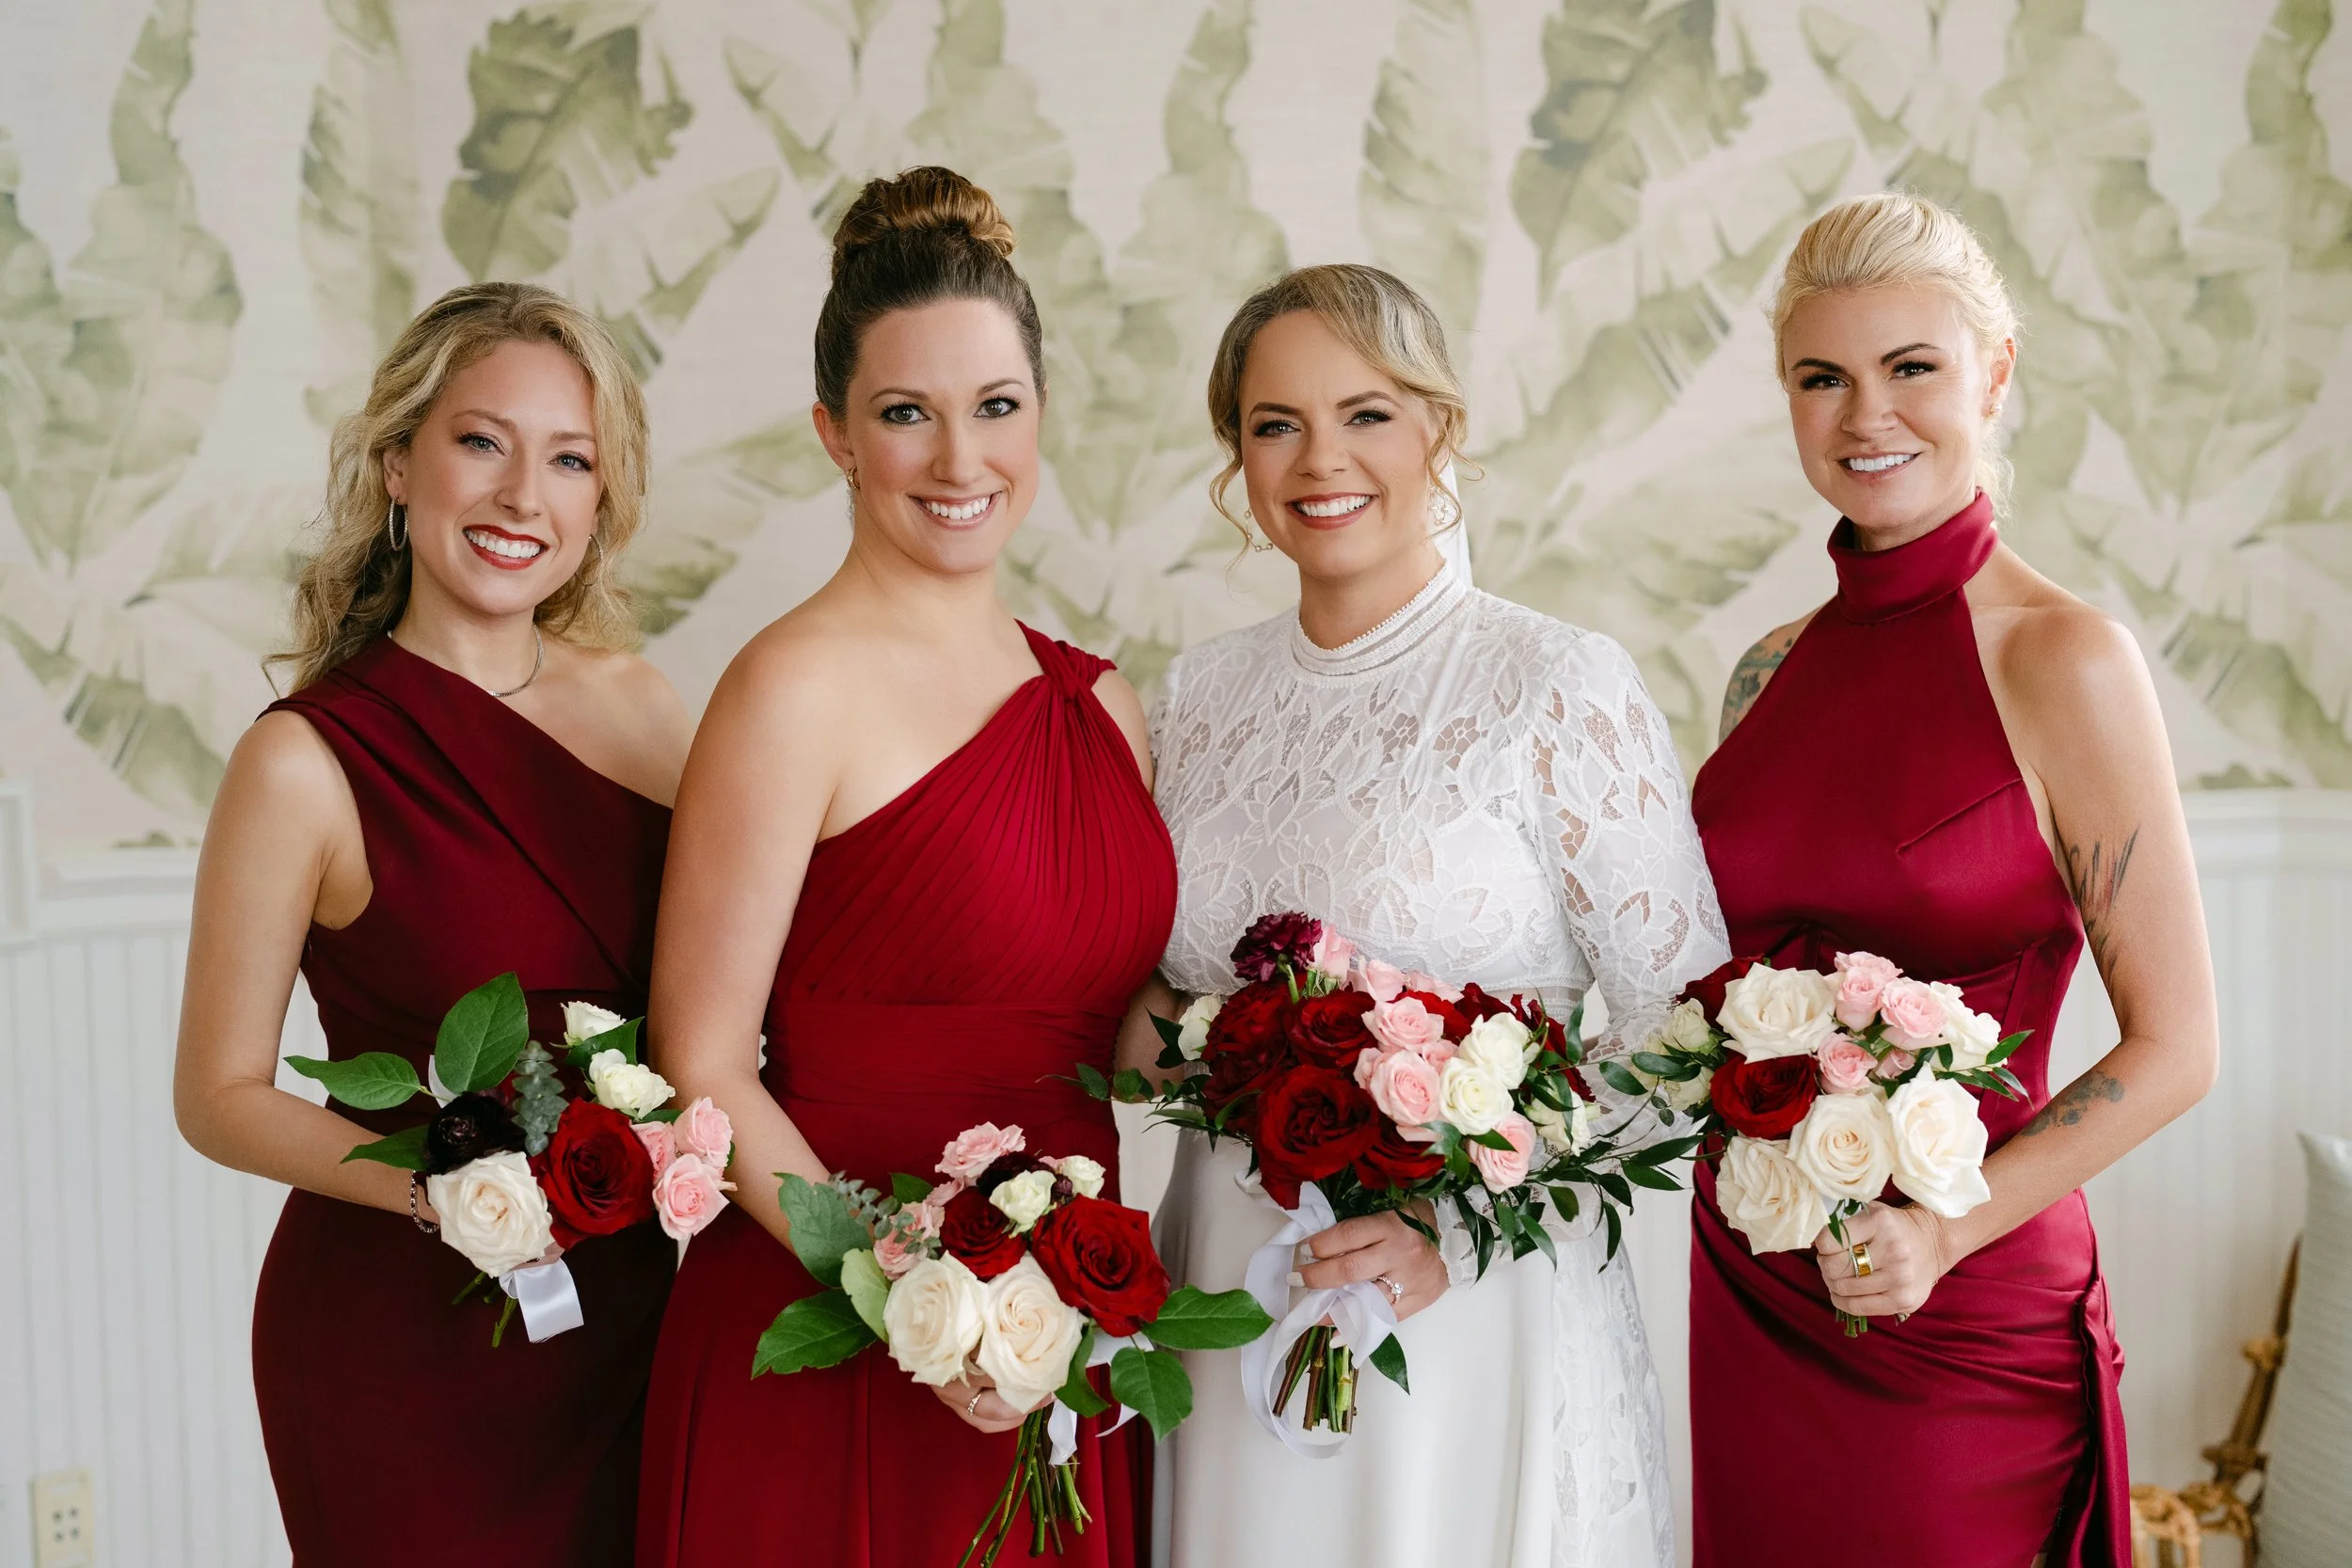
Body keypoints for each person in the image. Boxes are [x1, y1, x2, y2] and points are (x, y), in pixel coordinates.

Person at [1139, 263, 1726, 1568]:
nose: (1319, 459)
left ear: (1439, 430)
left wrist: (1457, 1229)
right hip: (1233, 1285)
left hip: (1471, 1312)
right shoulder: (1193, 698)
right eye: (1274, 423)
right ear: (1236, 456)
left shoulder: (1554, 681)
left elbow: (1681, 1031)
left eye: (1366, 413)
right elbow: (1151, 996)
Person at [634, 166, 1175, 1567]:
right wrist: (914, 1301)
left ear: (1041, 415)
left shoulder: (1099, 702)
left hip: (1061, 1338)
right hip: (844, 1336)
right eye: (904, 414)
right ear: (833, 432)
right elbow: (701, 1057)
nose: (959, 460)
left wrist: (1258, 1041)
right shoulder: (788, 690)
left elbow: (1103, 1028)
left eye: (996, 407)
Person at [1688, 192, 2219, 1568]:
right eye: (1824, 378)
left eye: (1912, 367)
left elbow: (2179, 1049)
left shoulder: (2066, 661)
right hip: (1755, 1297)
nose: (1868, 416)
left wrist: (1945, 1226)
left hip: (1960, 1318)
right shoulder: (1764, 670)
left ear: (1994, 370)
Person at [173, 282, 692, 1565]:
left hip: (629, 1324)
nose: (525, 495)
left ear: (601, 502)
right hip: (400, 1345)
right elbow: (218, 1092)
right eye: (483, 442)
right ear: (400, 462)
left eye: (570, 459)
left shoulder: (646, 708)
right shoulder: (304, 760)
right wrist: (446, 1198)